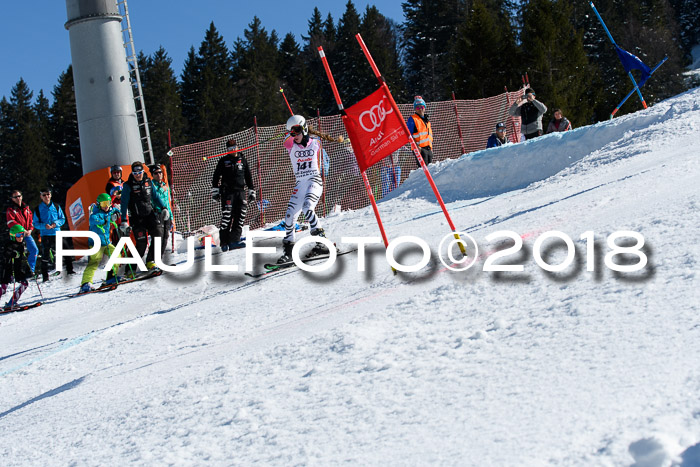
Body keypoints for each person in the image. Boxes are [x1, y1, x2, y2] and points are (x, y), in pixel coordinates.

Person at [277, 115, 332, 263]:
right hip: (300, 184)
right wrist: (293, 130)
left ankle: (322, 243)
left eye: (297, 132)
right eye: (291, 133)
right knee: (289, 216)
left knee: (308, 207)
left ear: (305, 129)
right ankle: (288, 252)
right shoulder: (290, 145)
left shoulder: (315, 143)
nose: (294, 136)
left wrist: (300, 128)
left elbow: (312, 138)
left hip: (314, 181)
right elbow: (287, 140)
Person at [120, 161, 166, 270]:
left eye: (139, 172)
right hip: (136, 218)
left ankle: (150, 261)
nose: (137, 175)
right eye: (135, 173)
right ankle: (130, 269)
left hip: (149, 215)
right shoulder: (128, 185)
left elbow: (155, 197)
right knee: (141, 243)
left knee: (159, 234)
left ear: (142, 171)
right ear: (132, 172)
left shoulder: (148, 182)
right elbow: (124, 203)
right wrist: (123, 220)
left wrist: (164, 208)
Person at [210, 140, 255, 251]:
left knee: (240, 216)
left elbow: (248, 176)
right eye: (229, 149)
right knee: (227, 217)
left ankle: (235, 240)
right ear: (227, 150)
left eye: (234, 148)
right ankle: (224, 242)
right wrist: (215, 190)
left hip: (240, 192)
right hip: (227, 193)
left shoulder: (242, 160)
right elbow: (216, 176)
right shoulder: (223, 161)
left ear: (237, 147)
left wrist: (251, 190)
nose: (232, 151)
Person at [80, 193, 121, 293]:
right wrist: (104, 220)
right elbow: (93, 220)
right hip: (95, 243)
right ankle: (86, 283)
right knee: (95, 261)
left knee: (117, 255)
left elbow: (115, 211)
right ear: (99, 204)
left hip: (106, 242)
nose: (106, 206)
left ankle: (111, 277)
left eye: (107, 203)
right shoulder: (96, 213)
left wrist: (117, 213)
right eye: (103, 204)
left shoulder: (110, 210)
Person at [34, 187, 75, 281]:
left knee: (66, 250)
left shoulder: (56, 206)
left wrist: (55, 224)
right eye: (44, 195)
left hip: (57, 233)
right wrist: (44, 226)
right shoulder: (38, 209)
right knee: (46, 255)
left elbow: (62, 219)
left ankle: (70, 270)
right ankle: (45, 276)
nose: (46, 196)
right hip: (45, 235)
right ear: (41, 196)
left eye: (48, 194)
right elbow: (35, 223)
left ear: (50, 195)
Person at [5, 190, 38, 274]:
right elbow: (11, 222)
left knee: (34, 249)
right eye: (15, 197)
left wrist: (30, 229)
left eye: (19, 196)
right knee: (17, 254)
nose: (18, 198)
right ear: (12, 199)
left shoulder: (26, 208)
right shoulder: (11, 209)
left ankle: (30, 270)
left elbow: (31, 220)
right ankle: (15, 273)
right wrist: (23, 230)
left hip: (27, 233)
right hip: (17, 234)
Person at [1, 225, 33, 308]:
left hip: (17, 269)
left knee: (24, 283)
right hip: (7, 268)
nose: (21, 237)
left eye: (22, 234)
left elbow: (22, 258)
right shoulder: (8, 244)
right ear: (13, 235)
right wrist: (12, 254)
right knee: (4, 288)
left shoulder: (22, 244)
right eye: (18, 235)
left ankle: (12, 302)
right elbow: (5, 254)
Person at [150, 164, 174, 255]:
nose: (159, 174)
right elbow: (154, 199)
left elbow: (167, 202)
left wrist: (171, 217)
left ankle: (159, 258)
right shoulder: (152, 186)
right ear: (152, 175)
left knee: (165, 236)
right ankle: (153, 259)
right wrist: (161, 189)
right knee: (158, 237)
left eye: (160, 172)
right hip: (157, 214)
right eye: (156, 173)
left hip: (166, 214)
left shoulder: (164, 185)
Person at [406, 96, 434, 166]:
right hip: (420, 149)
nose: (420, 109)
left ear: (424, 107)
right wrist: (416, 147)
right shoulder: (412, 119)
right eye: (418, 107)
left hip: (428, 149)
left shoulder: (427, 120)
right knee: (423, 171)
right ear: (415, 109)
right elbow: (408, 134)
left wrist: (430, 148)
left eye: (422, 107)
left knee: (431, 170)